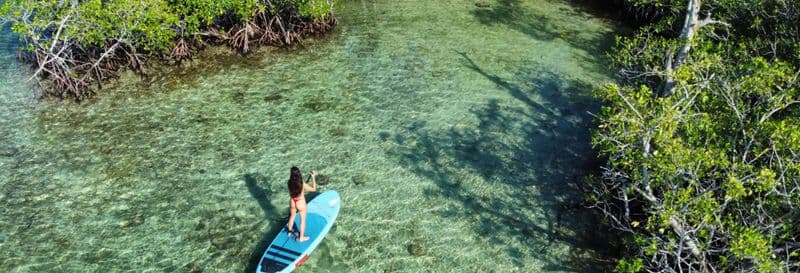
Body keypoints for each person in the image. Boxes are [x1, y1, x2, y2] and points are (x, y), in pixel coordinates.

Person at [286, 166, 317, 242]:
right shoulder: (302, 183)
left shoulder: (289, 182)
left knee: (292, 216)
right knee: (302, 220)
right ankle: (301, 238)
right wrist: (313, 177)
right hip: (300, 202)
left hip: (293, 201)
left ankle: (289, 232)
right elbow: (314, 189)